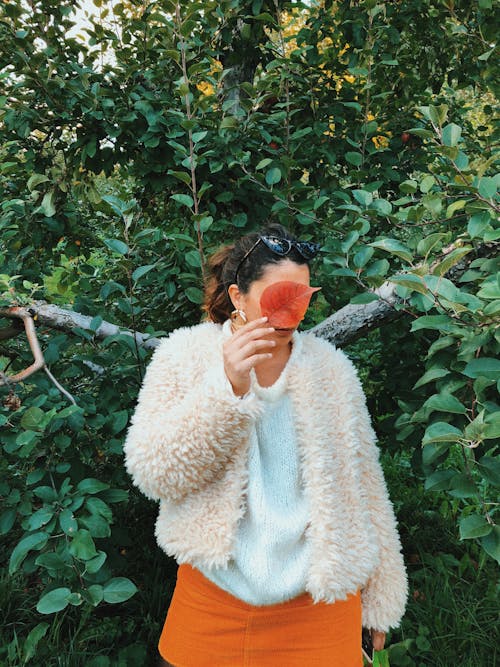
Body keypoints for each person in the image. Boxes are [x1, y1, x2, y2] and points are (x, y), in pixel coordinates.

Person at [123, 223, 408, 667]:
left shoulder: (331, 370)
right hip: (214, 594)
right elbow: (154, 473)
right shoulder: (185, 357)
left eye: (301, 298)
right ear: (237, 296)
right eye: (278, 298)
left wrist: (381, 599)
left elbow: (366, 487)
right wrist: (228, 391)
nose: (290, 314)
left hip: (321, 600)